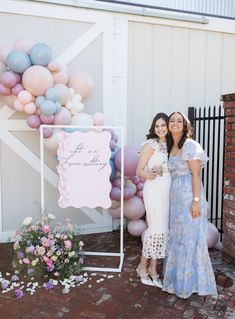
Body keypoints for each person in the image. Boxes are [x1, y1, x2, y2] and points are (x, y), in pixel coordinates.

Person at [162, 111, 217, 298]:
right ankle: (177, 281)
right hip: (175, 199)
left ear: (185, 126)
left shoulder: (190, 145)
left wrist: (196, 202)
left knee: (190, 238)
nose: (175, 123)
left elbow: (195, 175)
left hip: (188, 197)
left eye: (179, 121)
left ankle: (191, 284)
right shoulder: (172, 145)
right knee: (178, 238)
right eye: (172, 121)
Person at [136, 113, 171, 288]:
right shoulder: (150, 145)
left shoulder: (171, 145)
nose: (160, 129)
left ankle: (153, 269)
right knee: (155, 230)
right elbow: (139, 171)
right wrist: (150, 174)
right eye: (156, 126)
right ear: (153, 128)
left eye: (163, 125)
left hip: (167, 192)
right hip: (154, 191)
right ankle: (143, 267)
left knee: (162, 231)